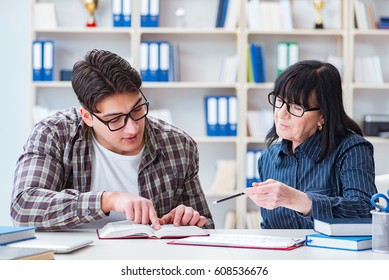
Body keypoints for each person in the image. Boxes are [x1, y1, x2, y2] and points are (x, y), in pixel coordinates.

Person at [11, 49, 214, 231]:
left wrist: (187, 221)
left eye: (137, 109)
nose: (132, 127)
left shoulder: (178, 145)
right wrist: (108, 200)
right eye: (115, 119)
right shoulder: (54, 134)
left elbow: (207, 228)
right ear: (87, 116)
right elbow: (23, 207)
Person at [244, 60, 377, 229]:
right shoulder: (268, 157)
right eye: (279, 101)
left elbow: (366, 211)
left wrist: (296, 200)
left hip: (332, 254)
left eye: (296, 107)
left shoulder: (352, 149)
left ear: (323, 115)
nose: (282, 114)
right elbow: (270, 227)